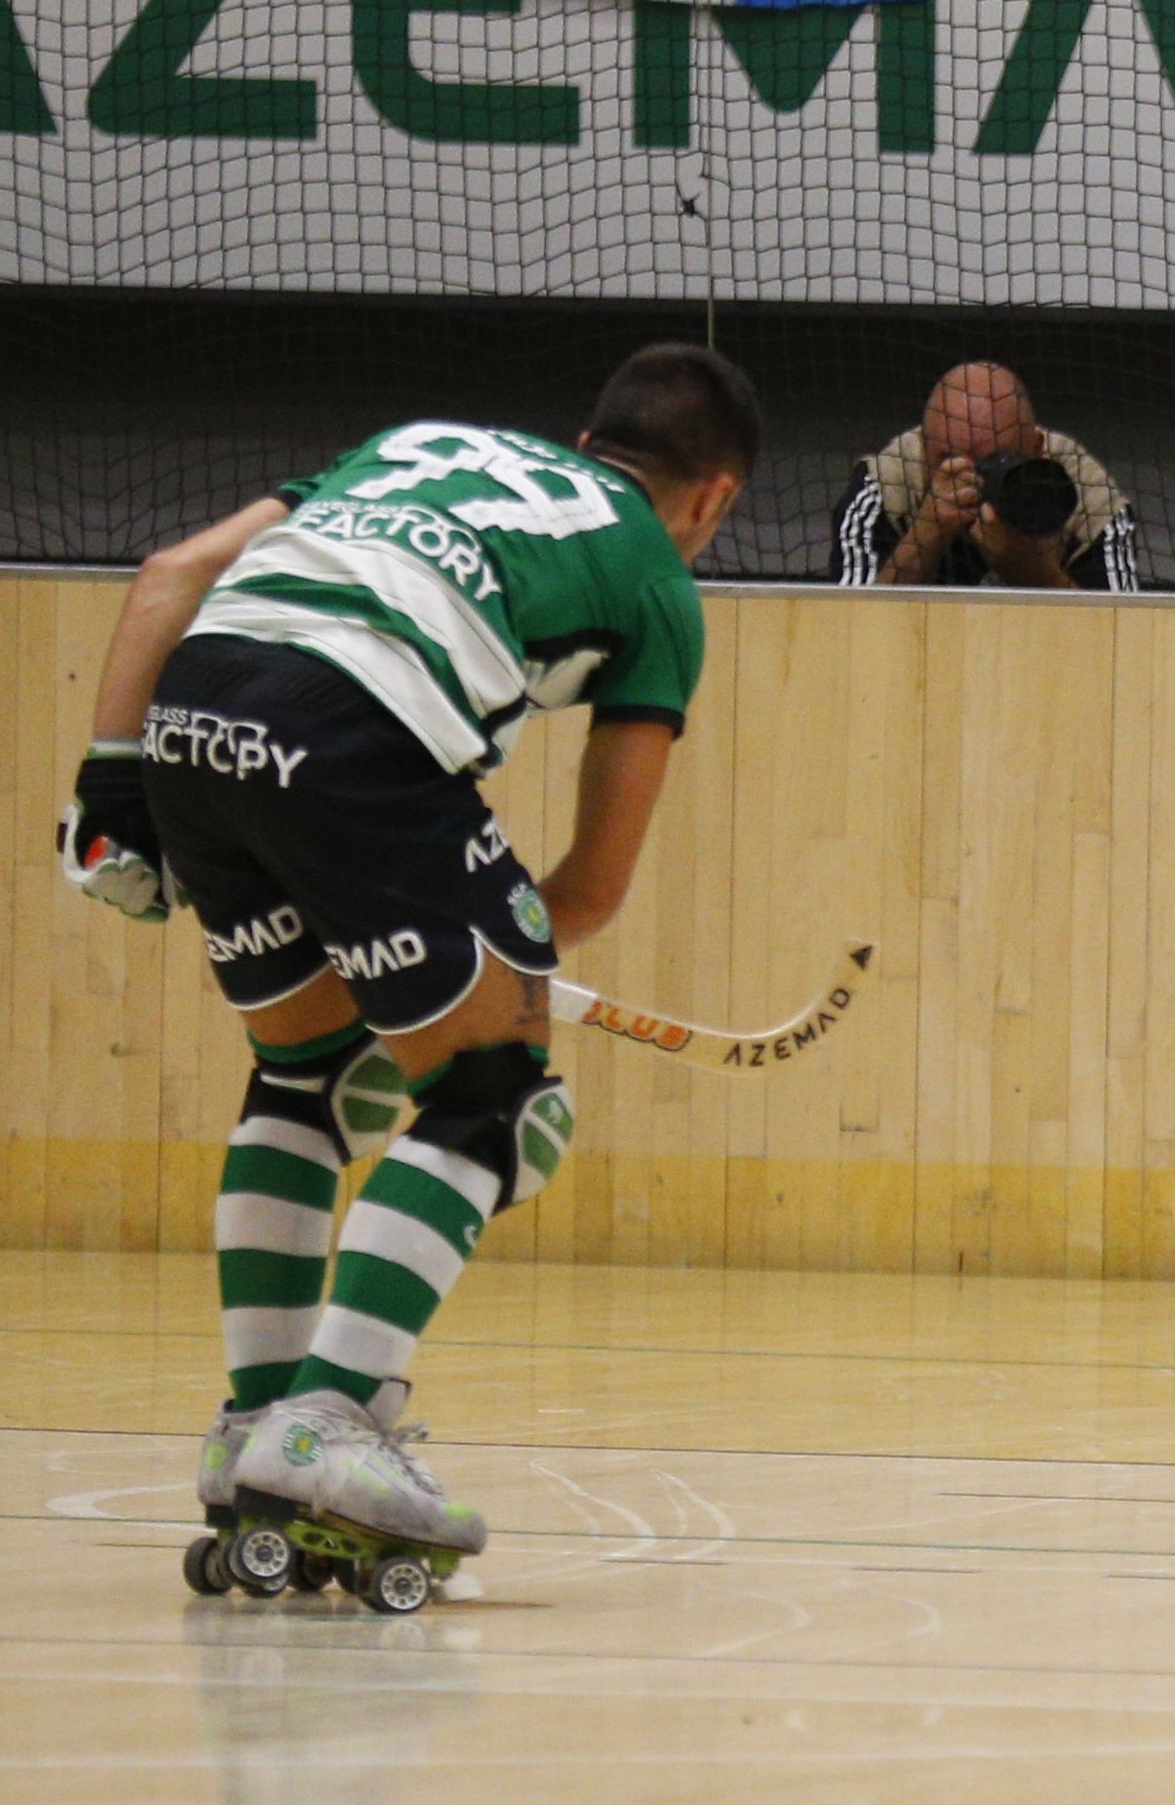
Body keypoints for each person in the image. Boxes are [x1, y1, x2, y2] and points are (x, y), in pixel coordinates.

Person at [57, 343, 761, 1591]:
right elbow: (590, 886)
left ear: (593, 433)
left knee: (309, 1082)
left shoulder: (412, 442)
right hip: (352, 734)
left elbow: (173, 570)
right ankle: (329, 1420)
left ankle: (255, 1429)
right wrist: (478, 984)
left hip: (193, 711)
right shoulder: (657, 577)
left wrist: (109, 785)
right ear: (715, 496)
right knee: (499, 1106)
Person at [829, 360, 1137, 590]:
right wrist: (924, 536)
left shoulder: (1086, 495)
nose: (972, 482)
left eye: (994, 461)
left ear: (1036, 449)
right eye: (949, 461)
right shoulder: (887, 485)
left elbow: (1123, 640)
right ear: (923, 452)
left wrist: (1031, 570)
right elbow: (850, 633)